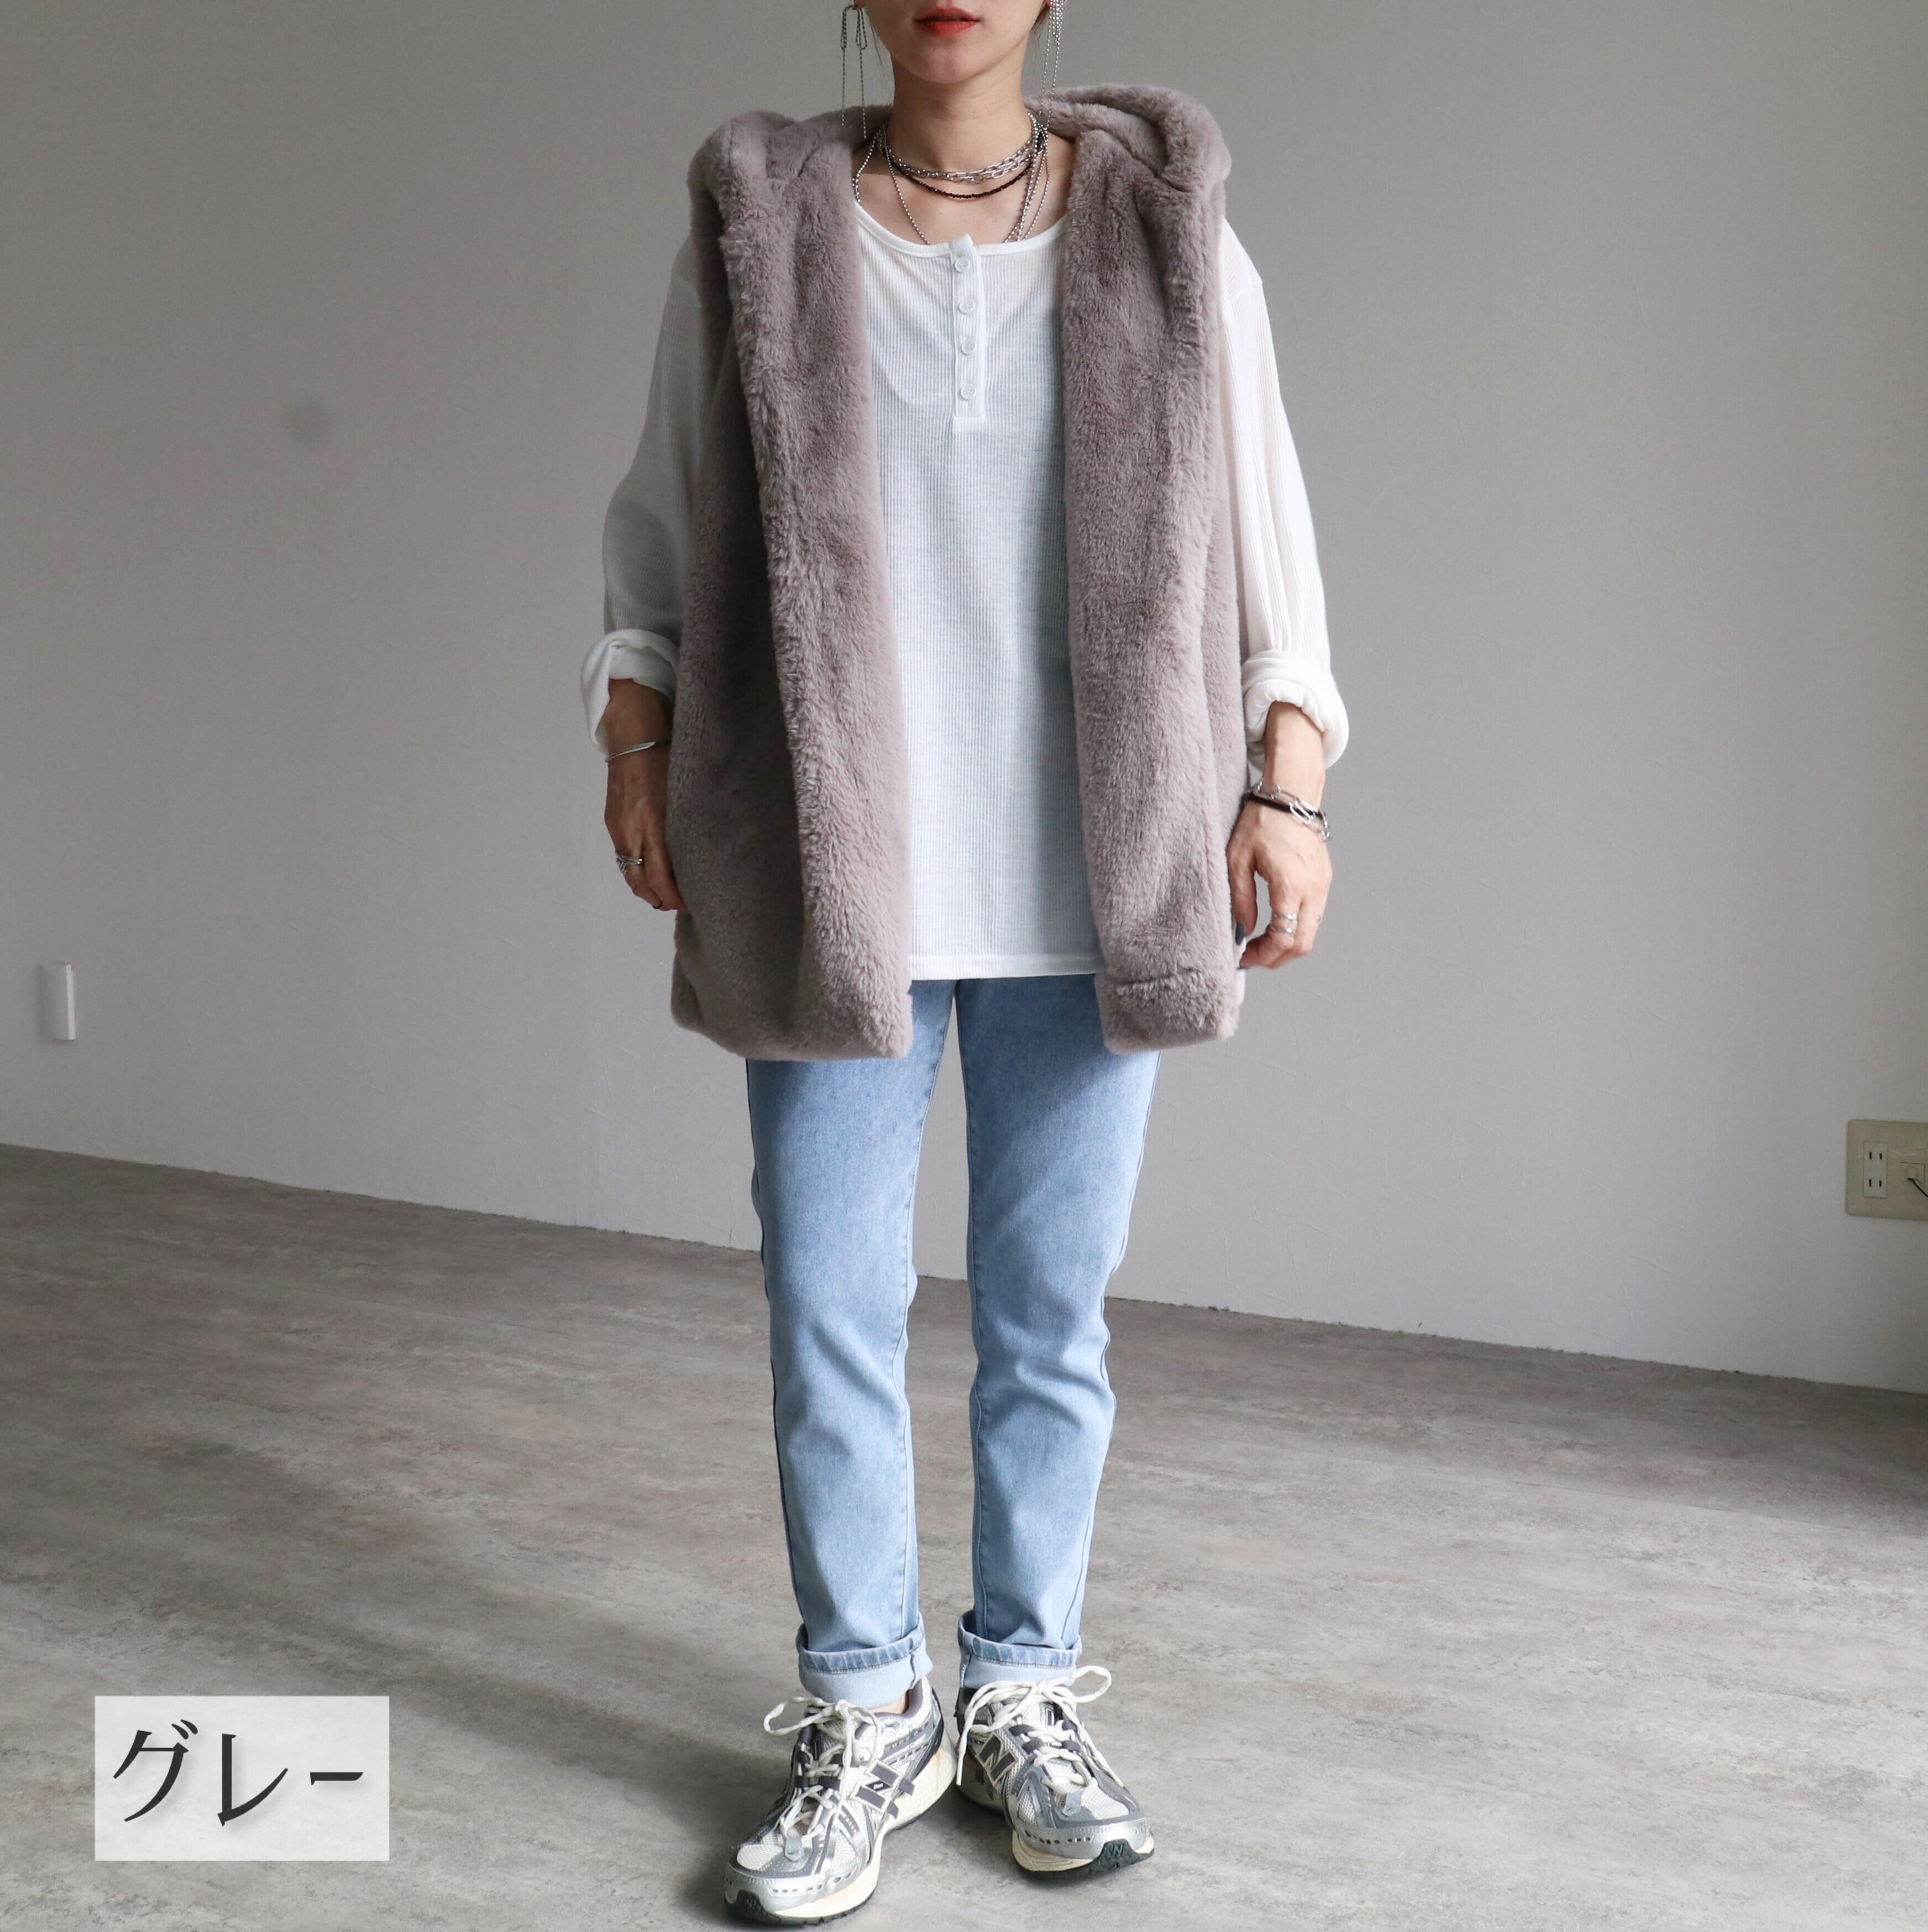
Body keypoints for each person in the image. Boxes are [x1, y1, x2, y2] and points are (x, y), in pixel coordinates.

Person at [581, 3, 1348, 1920]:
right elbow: (663, 519)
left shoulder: (1169, 225)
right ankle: (869, 1706)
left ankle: (1020, 1688)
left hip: (1095, 867)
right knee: (827, 1308)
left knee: (1048, 1318)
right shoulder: (762, 223)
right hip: (836, 869)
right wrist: (635, 739)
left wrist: (1288, 786)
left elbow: (1268, 530)